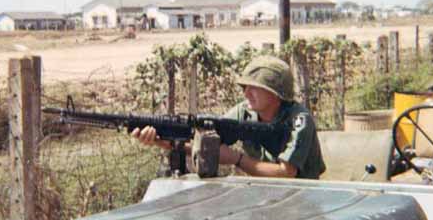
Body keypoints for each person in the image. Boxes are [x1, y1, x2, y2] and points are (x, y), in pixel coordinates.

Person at [131, 55, 326, 179]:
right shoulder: (244, 112)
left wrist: (236, 158)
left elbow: (285, 174)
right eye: (244, 87)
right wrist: (164, 141)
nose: (246, 93)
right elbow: (205, 145)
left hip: (303, 197)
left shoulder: (299, 120)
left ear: (276, 93)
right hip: (264, 195)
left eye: (255, 88)